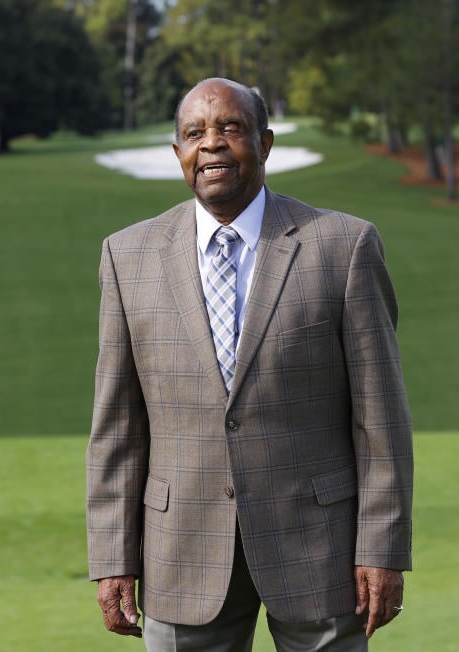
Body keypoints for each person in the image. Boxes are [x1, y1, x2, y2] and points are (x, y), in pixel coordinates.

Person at [86, 78, 413, 652]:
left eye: (229, 128)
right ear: (178, 154)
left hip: (321, 550)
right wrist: (113, 556)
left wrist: (381, 547)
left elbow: (380, 418)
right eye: (194, 133)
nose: (211, 144)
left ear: (264, 143)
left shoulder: (344, 246)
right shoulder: (126, 256)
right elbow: (118, 428)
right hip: (180, 550)